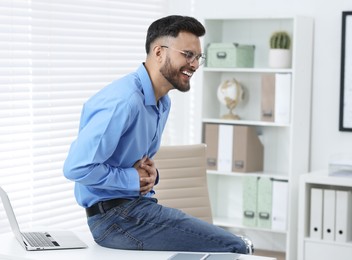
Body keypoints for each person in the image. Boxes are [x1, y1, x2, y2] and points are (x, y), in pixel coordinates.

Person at [63, 15, 252, 254]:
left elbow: (134, 164)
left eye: (198, 57)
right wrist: (132, 179)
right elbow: (77, 168)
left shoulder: (162, 103)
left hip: (138, 207)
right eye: (187, 54)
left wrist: (149, 176)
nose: (194, 64)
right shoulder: (123, 101)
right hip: (115, 219)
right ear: (159, 52)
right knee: (235, 246)